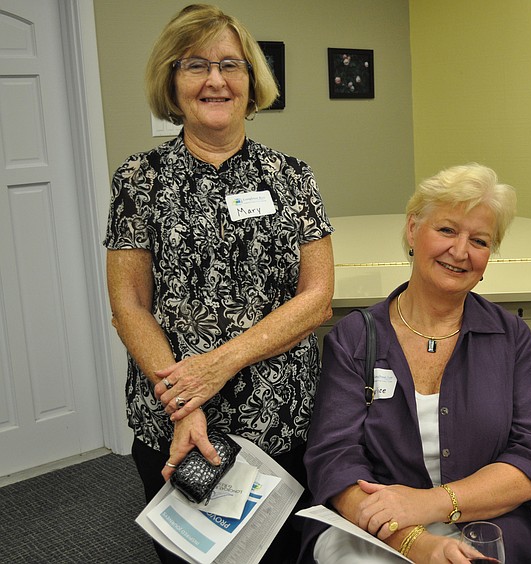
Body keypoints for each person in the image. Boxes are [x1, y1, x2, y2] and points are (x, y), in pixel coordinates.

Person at [103, 5, 334, 562]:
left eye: (231, 64)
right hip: (175, 419)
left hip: (279, 416)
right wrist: (186, 403)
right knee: (190, 556)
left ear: (252, 82)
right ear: (171, 80)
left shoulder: (291, 175)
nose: (215, 79)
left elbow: (317, 299)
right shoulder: (139, 179)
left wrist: (219, 364)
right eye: (195, 64)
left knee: (281, 555)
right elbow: (128, 304)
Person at [303, 164, 531, 563]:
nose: (460, 251)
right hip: (372, 530)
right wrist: (412, 540)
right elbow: (333, 460)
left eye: (480, 240)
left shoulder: (510, 337)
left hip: (483, 525)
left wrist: (433, 504)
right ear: (412, 230)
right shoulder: (354, 337)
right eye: (447, 230)